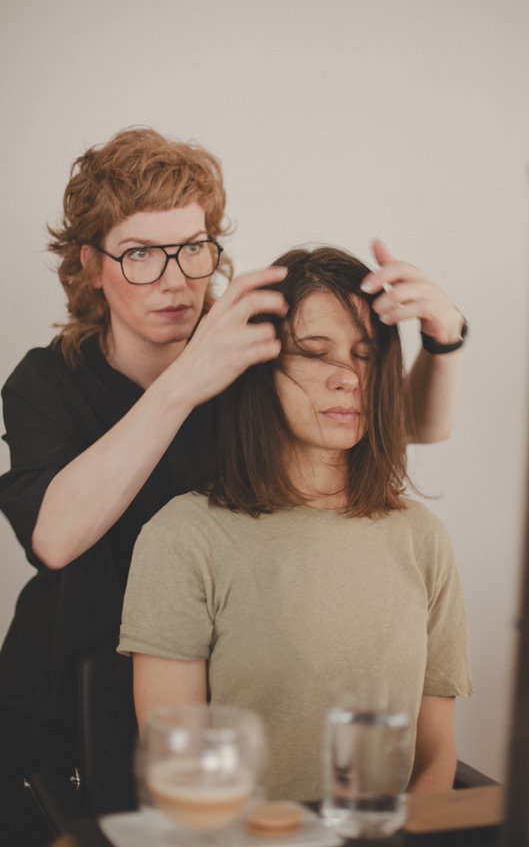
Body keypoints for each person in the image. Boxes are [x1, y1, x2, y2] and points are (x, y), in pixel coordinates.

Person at [0, 128, 467, 843]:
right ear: (91, 266)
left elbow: (389, 421)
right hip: (68, 689)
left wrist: (442, 340)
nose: (176, 278)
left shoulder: (244, 357)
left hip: (221, 673)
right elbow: (55, 538)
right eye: (140, 254)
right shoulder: (46, 383)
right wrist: (188, 380)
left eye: (193, 248)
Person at [119, 246, 472, 802]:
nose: (348, 379)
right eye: (313, 352)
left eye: (364, 354)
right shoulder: (185, 537)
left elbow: (434, 758)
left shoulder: (421, 537)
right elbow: (182, 777)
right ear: (260, 367)